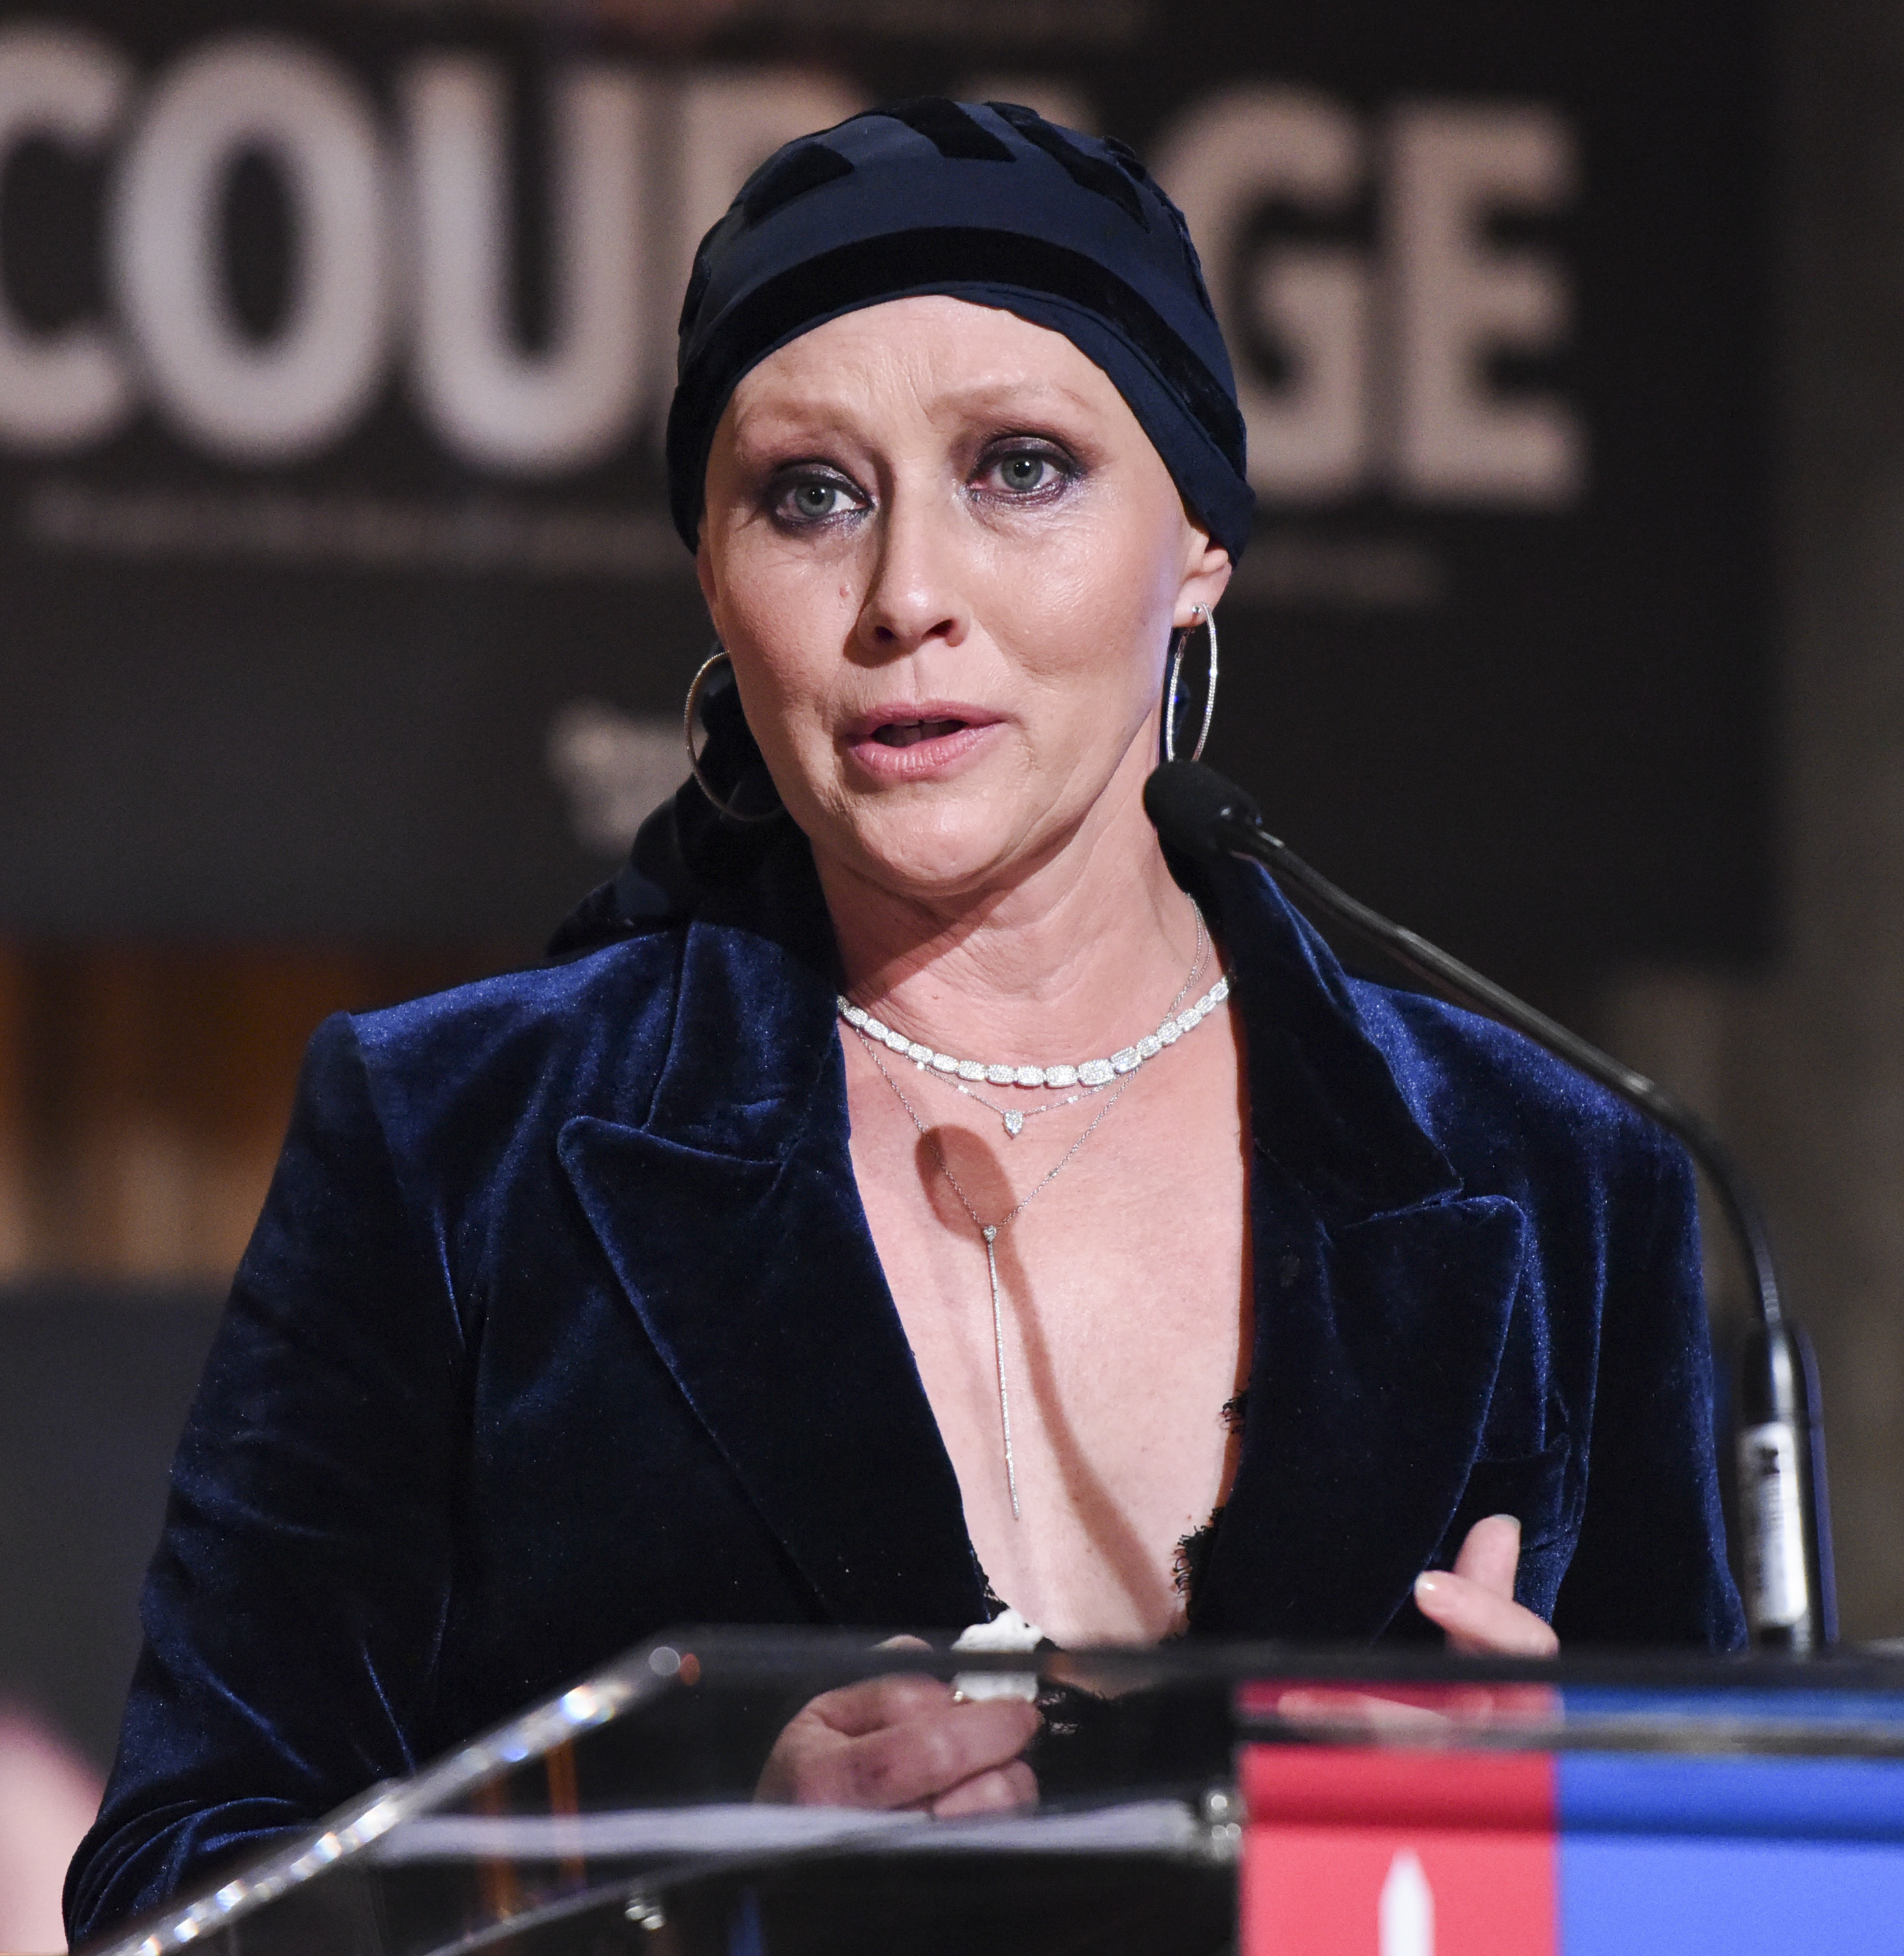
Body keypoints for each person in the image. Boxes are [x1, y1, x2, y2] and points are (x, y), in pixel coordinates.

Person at [66, 99, 1744, 1944]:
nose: (906, 601)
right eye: (811, 496)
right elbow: (177, 1900)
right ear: (713, 574)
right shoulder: (453, 1140)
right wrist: (673, 1854)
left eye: (1021, 468)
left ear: (1197, 547)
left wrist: (1572, 1865)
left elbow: (1756, 1903)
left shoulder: (1566, 1177)